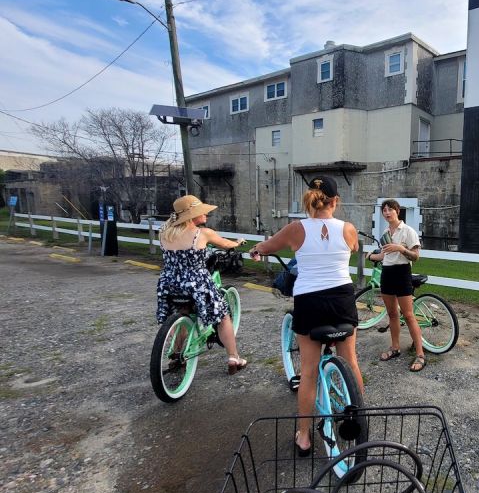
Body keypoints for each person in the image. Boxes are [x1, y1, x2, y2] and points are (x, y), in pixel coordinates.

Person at [249, 175, 363, 456]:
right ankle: (359, 416)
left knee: (309, 372)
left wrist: (256, 250)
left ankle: (303, 435)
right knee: (350, 360)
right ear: (335, 201)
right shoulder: (349, 229)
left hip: (310, 302)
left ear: (310, 200)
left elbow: (266, 247)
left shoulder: (294, 229)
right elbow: (355, 249)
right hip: (342, 301)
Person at [156, 195, 248, 375]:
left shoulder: (164, 232)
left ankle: (176, 354)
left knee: (182, 313)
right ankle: (233, 357)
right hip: (196, 283)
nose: (206, 213)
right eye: (201, 211)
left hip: (170, 282)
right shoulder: (203, 233)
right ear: (191, 215)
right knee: (223, 317)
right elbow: (226, 244)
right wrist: (237, 242)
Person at [366, 199, 426, 372]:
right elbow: (384, 256)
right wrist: (370, 256)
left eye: (390, 209)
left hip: (402, 273)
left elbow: (415, 256)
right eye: (384, 210)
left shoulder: (408, 231)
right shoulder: (385, 231)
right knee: (392, 314)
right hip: (387, 273)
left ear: (397, 211)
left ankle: (420, 354)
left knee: (408, 315)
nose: (386, 212)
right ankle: (395, 347)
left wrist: (401, 248)